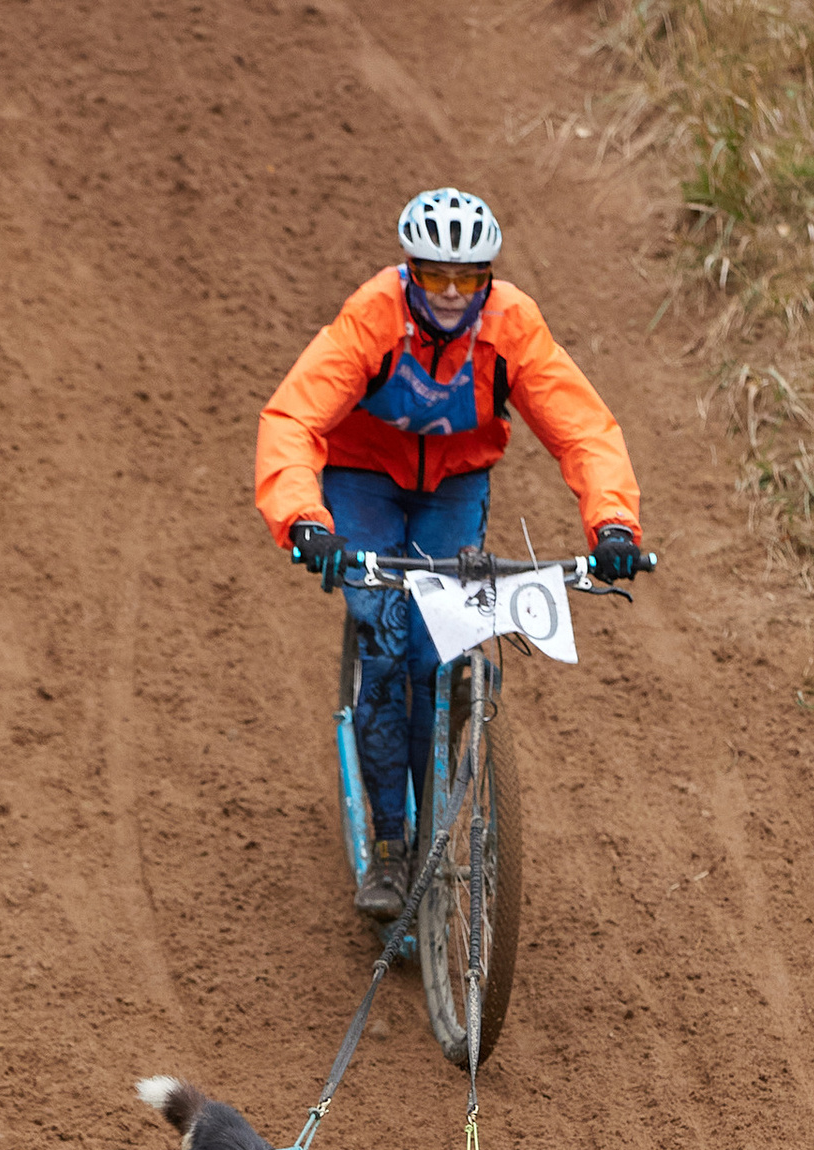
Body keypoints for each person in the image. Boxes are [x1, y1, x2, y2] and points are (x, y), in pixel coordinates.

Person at [256, 187, 649, 920]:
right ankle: (395, 849)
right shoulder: (374, 314)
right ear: (408, 270)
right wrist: (305, 519)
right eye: (433, 274)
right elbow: (295, 414)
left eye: (468, 278)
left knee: (433, 653)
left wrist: (615, 526)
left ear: (488, 279)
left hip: (453, 486)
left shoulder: (511, 326)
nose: (449, 293)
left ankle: (443, 749)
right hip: (362, 480)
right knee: (384, 639)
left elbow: (582, 427)